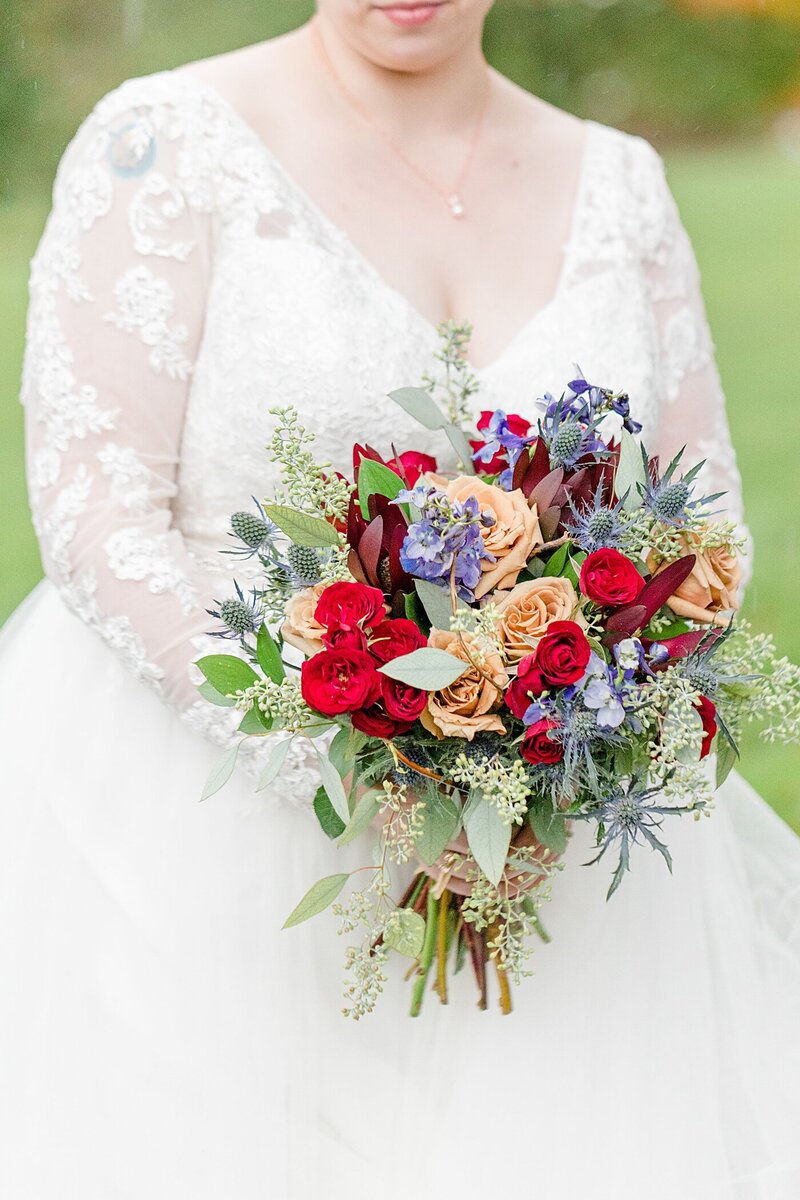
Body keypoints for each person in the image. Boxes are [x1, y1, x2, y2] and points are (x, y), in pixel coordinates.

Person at [1, 4, 798, 1197]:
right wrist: (344, 766)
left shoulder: (618, 183)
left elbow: (698, 530)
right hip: (208, 812)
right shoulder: (166, 144)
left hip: (551, 838)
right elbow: (95, 504)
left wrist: (555, 753)